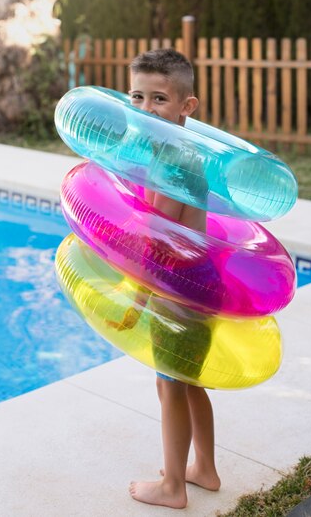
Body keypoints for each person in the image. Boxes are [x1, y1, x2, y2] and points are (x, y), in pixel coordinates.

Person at [109, 48, 221, 509]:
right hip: (199, 278)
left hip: (179, 286)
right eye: (137, 97)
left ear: (186, 106)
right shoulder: (172, 150)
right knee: (189, 381)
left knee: (169, 383)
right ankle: (205, 470)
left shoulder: (171, 161)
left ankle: (174, 485)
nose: (145, 110)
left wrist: (134, 300)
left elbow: (155, 245)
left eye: (159, 99)